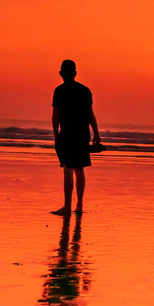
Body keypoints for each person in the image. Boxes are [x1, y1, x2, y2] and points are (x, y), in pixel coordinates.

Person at [51, 59, 101, 215]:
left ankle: (67, 206)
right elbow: (90, 115)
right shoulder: (85, 91)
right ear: (75, 73)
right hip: (81, 134)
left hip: (67, 134)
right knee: (79, 170)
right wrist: (96, 134)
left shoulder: (59, 91)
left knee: (68, 170)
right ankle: (79, 205)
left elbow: (55, 116)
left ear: (61, 74)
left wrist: (56, 137)